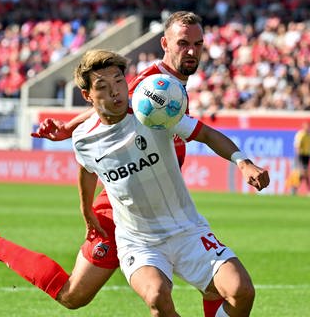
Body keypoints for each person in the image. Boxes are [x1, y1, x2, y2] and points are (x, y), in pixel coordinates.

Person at [28, 11, 256, 316]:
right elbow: (114, 104)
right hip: (125, 209)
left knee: (228, 287)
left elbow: (116, 104)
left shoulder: (169, 85)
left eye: (198, 43)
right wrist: (71, 128)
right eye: (183, 43)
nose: (191, 50)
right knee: (76, 295)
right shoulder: (154, 86)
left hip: (166, 206)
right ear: (165, 43)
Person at [71, 49, 269, 316]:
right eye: (103, 87)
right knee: (157, 296)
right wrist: (86, 210)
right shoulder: (84, 138)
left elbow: (206, 134)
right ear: (88, 95)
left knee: (241, 290)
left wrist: (243, 162)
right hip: (139, 242)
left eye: (119, 81)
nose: (115, 92)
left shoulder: (152, 109)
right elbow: (87, 170)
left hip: (187, 230)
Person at [293, 121, 310, 195]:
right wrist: (299, 158)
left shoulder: (308, 135)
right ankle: (294, 189)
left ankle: (294, 189)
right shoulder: (301, 134)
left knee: (304, 174)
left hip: (306, 156)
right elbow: (297, 147)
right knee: (302, 173)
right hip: (301, 156)